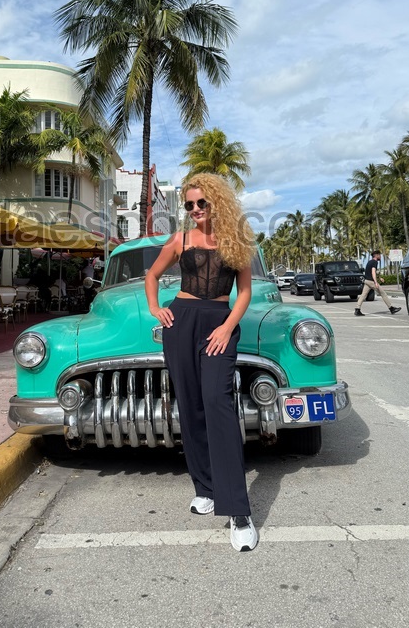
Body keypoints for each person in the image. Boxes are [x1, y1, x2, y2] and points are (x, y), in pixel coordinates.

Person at [144, 173, 258, 552]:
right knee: (191, 406)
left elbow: (244, 292)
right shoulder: (179, 240)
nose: (195, 209)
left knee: (217, 403)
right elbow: (152, 275)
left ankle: (238, 510)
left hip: (219, 325)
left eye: (201, 203)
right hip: (181, 323)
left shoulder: (237, 240)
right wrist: (155, 307)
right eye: (189, 204)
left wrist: (227, 327)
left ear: (216, 202)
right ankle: (205, 488)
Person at [355, 250, 401, 316]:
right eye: (379, 255)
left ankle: (357, 309)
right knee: (383, 293)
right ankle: (391, 308)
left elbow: (373, 272)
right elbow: (373, 272)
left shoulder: (370, 262)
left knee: (363, 295)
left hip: (367, 281)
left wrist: (379, 278)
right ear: (376, 255)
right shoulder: (375, 262)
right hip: (371, 282)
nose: (380, 256)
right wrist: (376, 282)